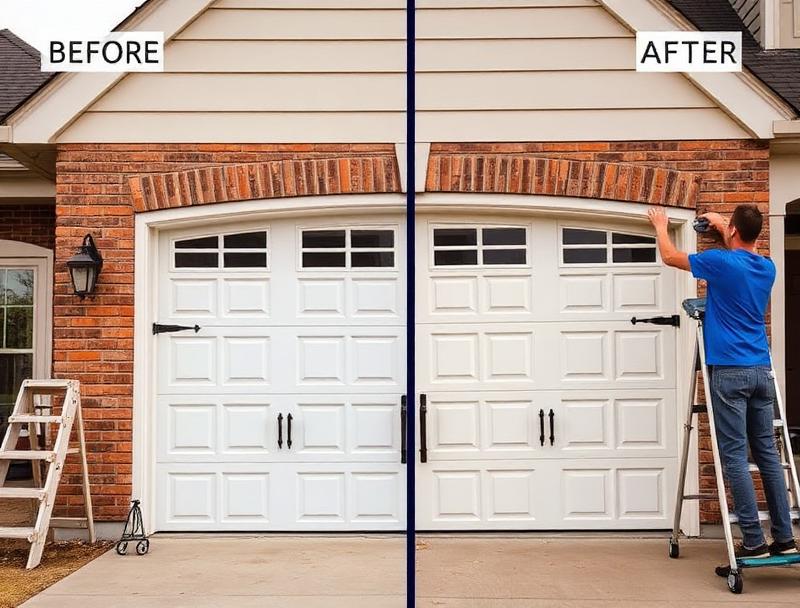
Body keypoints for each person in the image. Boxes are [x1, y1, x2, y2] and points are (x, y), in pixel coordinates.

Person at [648, 204, 797, 558]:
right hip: (762, 370)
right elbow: (745, 255)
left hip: (729, 372)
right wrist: (724, 226)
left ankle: (755, 542)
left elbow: (670, 257)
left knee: (733, 458)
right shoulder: (767, 266)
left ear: (731, 231)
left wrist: (661, 225)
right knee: (767, 456)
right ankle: (784, 537)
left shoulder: (720, 262)